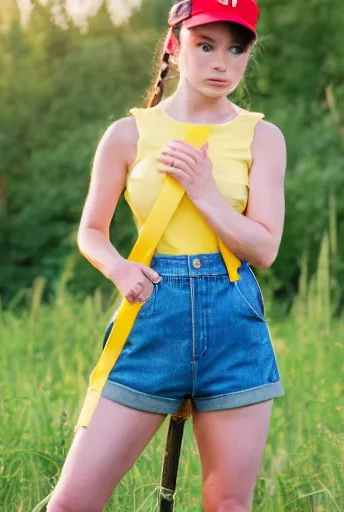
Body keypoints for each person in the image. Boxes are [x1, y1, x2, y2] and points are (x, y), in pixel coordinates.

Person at [47, 0, 287, 510]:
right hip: (152, 315)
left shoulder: (262, 137)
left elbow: (265, 247)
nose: (222, 62)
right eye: (206, 46)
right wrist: (117, 268)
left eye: (236, 49)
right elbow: (92, 230)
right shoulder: (128, 134)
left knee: (227, 505)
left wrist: (204, 192)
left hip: (233, 325)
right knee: (72, 503)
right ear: (175, 46)